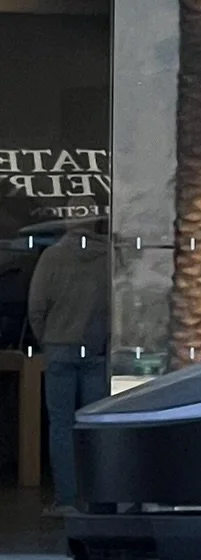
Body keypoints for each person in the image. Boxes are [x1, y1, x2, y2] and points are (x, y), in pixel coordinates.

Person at [27, 219, 110, 512]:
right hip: (97, 349)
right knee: (95, 426)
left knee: (61, 426)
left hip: (59, 348)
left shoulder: (52, 256)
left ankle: (66, 499)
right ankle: (99, 498)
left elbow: (36, 307)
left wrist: (47, 340)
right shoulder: (108, 257)